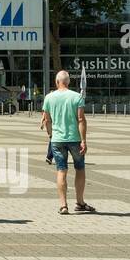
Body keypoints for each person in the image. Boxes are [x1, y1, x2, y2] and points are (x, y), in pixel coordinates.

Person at [40, 70, 95, 215]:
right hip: (75, 139)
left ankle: (63, 205)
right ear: (68, 82)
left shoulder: (49, 98)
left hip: (57, 140)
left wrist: (51, 134)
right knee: (80, 169)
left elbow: (47, 120)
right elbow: (81, 119)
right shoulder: (77, 97)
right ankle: (80, 201)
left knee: (61, 170)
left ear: (56, 82)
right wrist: (84, 140)